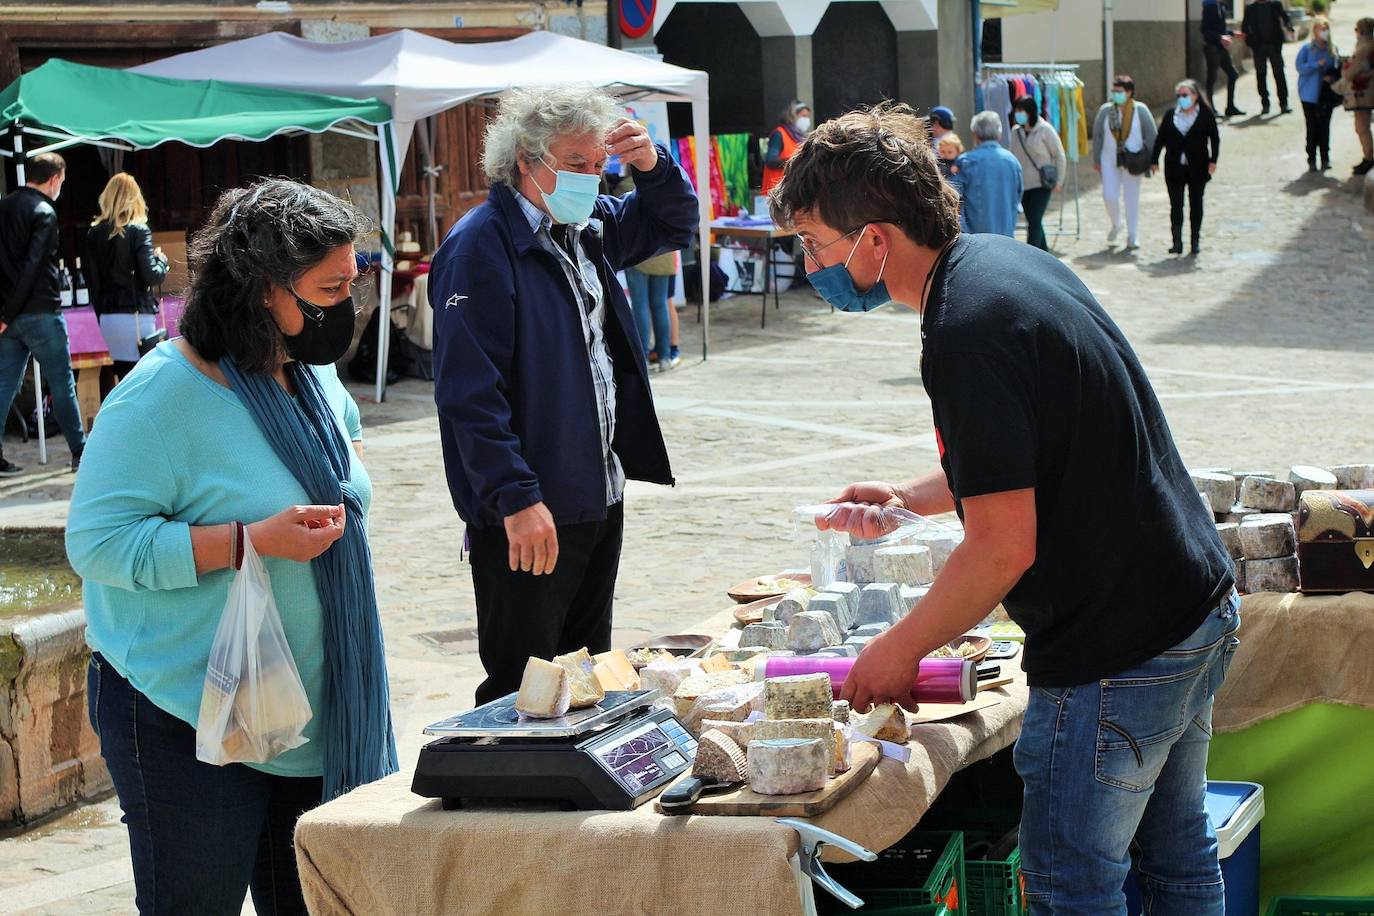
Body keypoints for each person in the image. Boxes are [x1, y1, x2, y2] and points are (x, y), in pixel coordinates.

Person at [771, 101, 1238, 916]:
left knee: (1070, 882)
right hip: (1188, 603)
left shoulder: (965, 331)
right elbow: (1031, 451)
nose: (811, 264)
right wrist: (909, 498)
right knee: (1174, 860)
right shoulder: (1001, 263)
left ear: (875, 240)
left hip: (1118, 645)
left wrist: (900, 649)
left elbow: (999, 549)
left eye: (815, 244)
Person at [65, 178, 397, 915]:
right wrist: (251, 541)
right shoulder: (160, 398)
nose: (346, 305)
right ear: (261, 290)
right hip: (184, 716)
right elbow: (97, 546)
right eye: (330, 287)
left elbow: (345, 459)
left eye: (352, 283)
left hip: (309, 717)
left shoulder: (309, 375)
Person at [429, 87, 698, 705]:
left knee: (585, 674)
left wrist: (652, 167)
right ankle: (505, 794)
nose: (590, 175)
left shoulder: (588, 226)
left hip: (597, 490)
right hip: (532, 505)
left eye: (596, 163)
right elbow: (470, 394)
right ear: (527, 160)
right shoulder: (480, 246)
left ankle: (567, 794)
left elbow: (674, 223)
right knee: (522, 684)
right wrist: (516, 497)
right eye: (574, 163)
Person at [0, 151, 86, 476]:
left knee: (3, 385)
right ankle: (79, 451)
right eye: (61, 182)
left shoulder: (4, 206)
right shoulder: (44, 212)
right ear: (54, 179)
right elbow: (33, 266)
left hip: (9, 315)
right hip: (39, 310)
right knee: (63, 382)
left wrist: (5, 312)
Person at [85, 172, 170, 379]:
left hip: (109, 318)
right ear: (135, 198)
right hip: (136, 316)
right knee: (144, 379)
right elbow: (152, 276)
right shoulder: (139, 230)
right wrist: (162, 261)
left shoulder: (93, 234)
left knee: (123, 377)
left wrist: (102, 315)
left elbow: (92, 283)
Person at [1152, 80, 1221, 256]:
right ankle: (1177, 242)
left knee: (1196, 204)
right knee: (1176, 205)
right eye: (1179, 96)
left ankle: (1195, 241)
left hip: (1198, 167)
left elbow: (1214, 138)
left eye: (1185, 95)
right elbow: (1160, 139)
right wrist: (1154, 160)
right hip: (1174, 168)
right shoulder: (1170, 115)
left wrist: (1213, 160)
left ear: (1195, 96)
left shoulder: (1205, 114)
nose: (1182, 99)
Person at [1092, 75, 1157, 250]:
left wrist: (1152, 160)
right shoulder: (1106, 111)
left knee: (1131, 198)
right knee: (1109, 195)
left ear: (1129, 92)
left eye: (1119, 91)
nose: (1116, 94)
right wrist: (1096, 159)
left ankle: (1132, 235)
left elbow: (1151, 135)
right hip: (1109, 160)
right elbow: (1098, 136)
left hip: (1133, 161)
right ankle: (1116, 223)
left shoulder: (1140, 110)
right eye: (1114, 91)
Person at [949, 111, 1022, 237]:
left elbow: (953, 197)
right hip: (1007, 236)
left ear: (975, 135)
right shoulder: (1012, 161)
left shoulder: (966, 162)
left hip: (976, 238)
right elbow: (1018, 196)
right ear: (999, 134)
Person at [1009, 96, 1067, 251]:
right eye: (1016, 111)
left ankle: (1031, 256)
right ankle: (1044, 253)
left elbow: (1059, 155)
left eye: (1021, 111)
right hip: (1023, 184)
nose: (1018, 114)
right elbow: (1012, 157)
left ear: (1030, 112)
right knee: (1034, 221)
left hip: (1042, 183)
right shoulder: (1016, 132)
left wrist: (1059, 181)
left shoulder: (1045, 129)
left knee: (1034, 221)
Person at [1297, 17, 1341, 172]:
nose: (1324, 32)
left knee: (1325, 127)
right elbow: (1300, 68)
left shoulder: (1332, 49)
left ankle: (1325, 158)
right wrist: (1317, 65)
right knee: (1312, 127)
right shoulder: (1307, 49)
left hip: (1326, 95)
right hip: (1309, 95)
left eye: (1326, 28)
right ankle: (1311, 159)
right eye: (1321, 28)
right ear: (1314, 30)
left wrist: (1332, 76)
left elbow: (1338, 70)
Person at [1334, 17, 1374, 176]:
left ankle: (1369, 157)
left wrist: (1345, 68)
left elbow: (1350, 72)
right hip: (1366, 91)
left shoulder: (1364, 48)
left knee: (1362, 127)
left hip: (1363, 93)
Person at [1242, 0, 1295, 115]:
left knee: (1279, 74)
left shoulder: (1275, 5)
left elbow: (1285, 18)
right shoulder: (1250, 8)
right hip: (1259, 47)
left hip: (1274, 46)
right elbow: (1245, 27)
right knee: (1261, 75)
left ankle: (1284, 103)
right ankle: (1265, 104)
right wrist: (1251, 42)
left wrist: (1289, 28)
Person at [1202, 0, 1247, 117]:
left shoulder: (1220, 6)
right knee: (1211, 78)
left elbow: (1219, 29)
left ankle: (1230, 107)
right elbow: (1205, 30)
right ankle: (1209, 109)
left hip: (1220, 48)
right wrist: (1220, 37)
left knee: (1233, 74)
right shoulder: (1210, 6)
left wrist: (1232, 33)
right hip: (1212, 48)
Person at [761, 100, 812, 196]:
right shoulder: (779, 134)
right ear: (793, 116)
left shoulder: (800, 138)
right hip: (775, 192)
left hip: (790, 190)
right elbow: (770, 160)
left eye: (807, 116)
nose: (806, 120)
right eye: (803, 116)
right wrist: (797, 161)